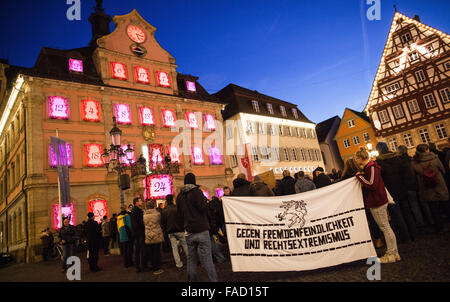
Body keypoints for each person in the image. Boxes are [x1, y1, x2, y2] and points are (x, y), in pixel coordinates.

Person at [354, 147, 401, 263]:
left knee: (385, 227)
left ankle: (391, 254)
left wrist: (359, 177)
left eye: (356, 158)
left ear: (361, 158)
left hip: (377, 201)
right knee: (386, 227)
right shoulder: (370, 167)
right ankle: (394, 253)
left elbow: (372, 184)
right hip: (377, 200)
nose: (355, 160)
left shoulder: (371, 168)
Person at [176, 172, 218, 282]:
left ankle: (192, 281)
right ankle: (213, 280)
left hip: (189, 231)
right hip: (202, 229)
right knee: (207, 259)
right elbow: (203, 207)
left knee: (191, 259)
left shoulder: (180, 196)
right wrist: (204, 200)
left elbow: (179, 214)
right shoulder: (197, 192)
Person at [376, 142, 416, 242]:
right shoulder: (397, 159)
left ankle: (405, 237)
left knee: (397, 215)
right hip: (402, 189)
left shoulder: (380, 163)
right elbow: (405, 174)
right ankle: (413, 234)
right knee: (407, 212)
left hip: (390, 193)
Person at [412, 144, 450, 233]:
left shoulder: (415, 162)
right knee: (446, 204)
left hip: (426, 186)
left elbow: (413, 174)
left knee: (433, 208)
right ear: (427, 150)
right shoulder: (434, 158)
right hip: (439, 183)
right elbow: (443, 170)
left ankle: (439, 227)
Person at [397, 145, 428, 227]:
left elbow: (401, 175)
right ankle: (430, 219)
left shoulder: (400, 162)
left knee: (414, 205)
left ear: (399, 152)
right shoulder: (412, 159)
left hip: (408, 186)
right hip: (418, 184)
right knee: (424, 203)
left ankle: (420, 222)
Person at [161, 194, 188, 271]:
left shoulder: (164, 210)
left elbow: (163, 223)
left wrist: (166, 230)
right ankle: (190, 261)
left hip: (170, 231)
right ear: (173, 199)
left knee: (174, 248)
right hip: (180, 229)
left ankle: (179, 265)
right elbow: (183, 217)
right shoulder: (178, 208)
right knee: (185, 246)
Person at [143, 201, 165, 275]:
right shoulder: (157, 214)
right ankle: (157, 268)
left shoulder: (144, 215)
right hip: (156, 234)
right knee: (157, 251)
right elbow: (160, 222)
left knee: (151, 251)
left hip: (148, 234)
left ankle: (153, 266)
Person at [208, 197, 227, 264]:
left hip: (211, 229)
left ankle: (220, 258)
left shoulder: (209, 208)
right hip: (214, 228)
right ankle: (220, 258)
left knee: (214, 243)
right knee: (215, 242)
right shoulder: (216, 208)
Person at [131, 196, 146, 273]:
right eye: (140, 201)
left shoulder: (133, 210)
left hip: (136, 233)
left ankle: (138, 266)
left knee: (137, 250)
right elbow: (141, 222)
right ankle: (142, 266)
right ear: (136, 202)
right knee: (141, 250)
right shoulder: (138, 211)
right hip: (140, 233)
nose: (142, 202)